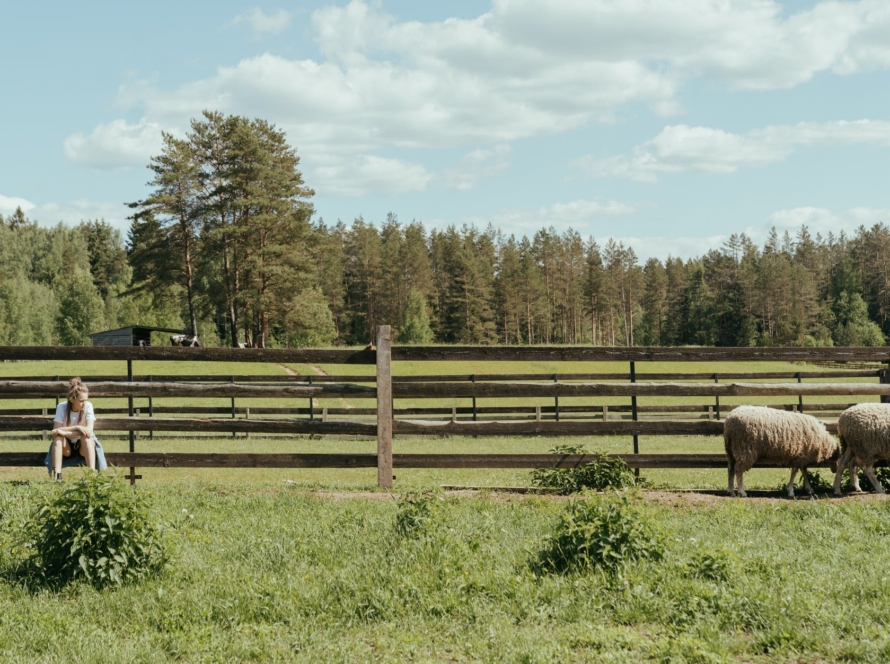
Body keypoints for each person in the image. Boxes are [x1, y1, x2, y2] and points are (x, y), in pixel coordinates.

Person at [45, 377, 108, 480]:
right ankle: (57, 477)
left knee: (86, 438)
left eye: (86, 400)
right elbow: (55, 432)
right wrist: (78, 427)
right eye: (81, 401)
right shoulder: (62, 407)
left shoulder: (88, 406)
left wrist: (63, 431)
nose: (84, 403)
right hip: (67, 447)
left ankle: (91, 476)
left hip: (82, 446)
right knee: (57, 439)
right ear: (71, 399)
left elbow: (88, 431)